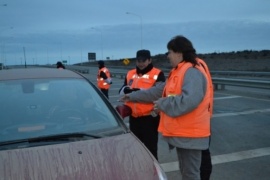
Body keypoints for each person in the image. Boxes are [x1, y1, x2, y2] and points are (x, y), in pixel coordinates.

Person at [120, 35, 213, 180]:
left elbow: (189, 100)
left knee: (191, 174)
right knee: (187, 173)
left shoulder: (192, 70)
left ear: (179, 52)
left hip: (191, 133)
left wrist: (162, 104)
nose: (167, 56)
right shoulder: (179, 70)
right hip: (185, 133)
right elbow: (159, 92)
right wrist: (132, 97)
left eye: (169, 52)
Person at [119, 49, 166, 160]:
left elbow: (156, 95)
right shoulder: (130, 73)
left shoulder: (158, 73)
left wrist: (133, 93)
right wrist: (132, 91)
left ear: (149, 60)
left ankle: (153, 173)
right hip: (134, 119)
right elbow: (122, 90)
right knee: (136, 150)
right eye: (138, 60)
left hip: (150, 118)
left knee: (151, 150)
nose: (140, 63)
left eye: (143, 60)